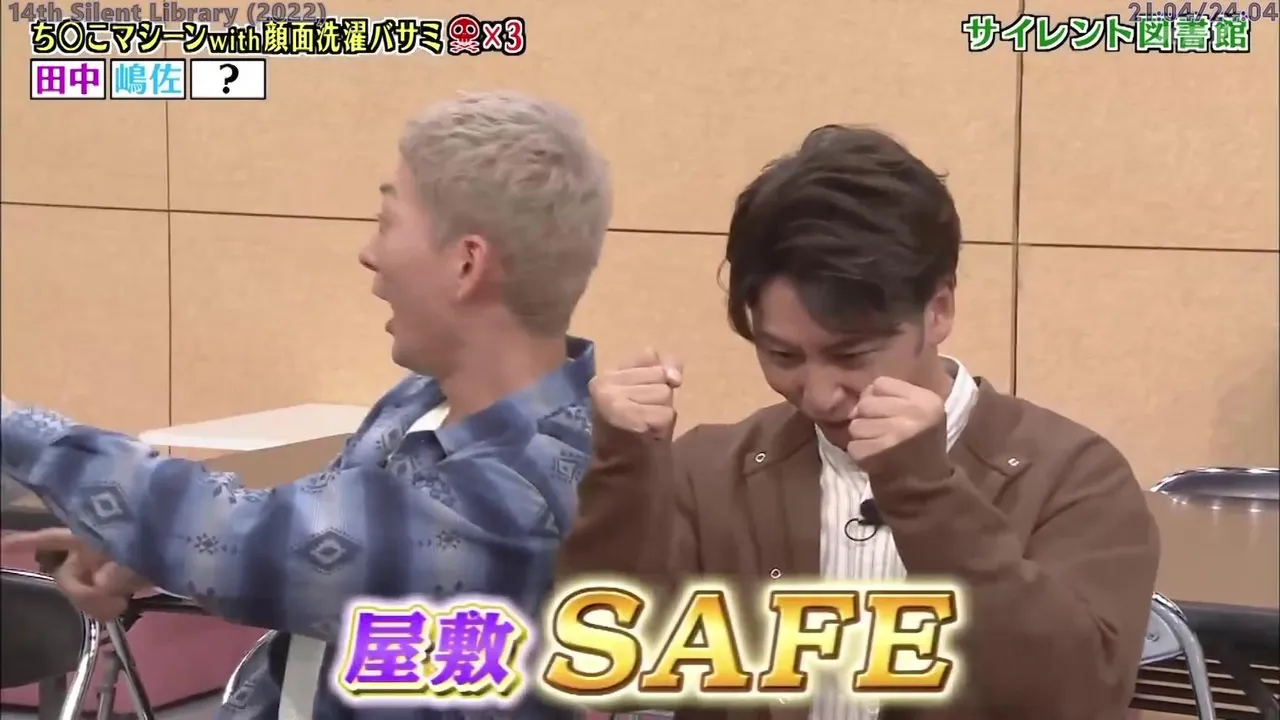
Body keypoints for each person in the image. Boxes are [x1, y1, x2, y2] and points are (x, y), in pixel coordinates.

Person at [1, 90, 612, 720]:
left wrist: (15, 430)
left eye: (387, 221)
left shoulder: (523, 489)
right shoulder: (421, 401)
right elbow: (315, 549)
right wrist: (146, 546)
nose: (369, 253)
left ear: (466, 263)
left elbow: (250, 535)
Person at [557, 125, 1160, 720]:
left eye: (851, 355)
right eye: (783, 356)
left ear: (938, 309)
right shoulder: (713, 472)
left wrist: (927, 494)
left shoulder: (1072, 477)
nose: (820, 396)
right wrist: (625, 470)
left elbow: (1075, 697)